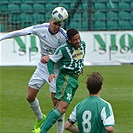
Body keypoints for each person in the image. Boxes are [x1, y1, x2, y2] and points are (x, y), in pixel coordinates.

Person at [0, 10, 68, 133]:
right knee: (30, 96)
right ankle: (40, 118)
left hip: (56, 71)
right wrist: (1, 37)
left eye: (59, 25)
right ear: (50, 21)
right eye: (55, 24)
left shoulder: (64, 36)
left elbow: (67, 54)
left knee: (57, 105)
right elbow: (20, 32)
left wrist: (51, 57)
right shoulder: (41, 29)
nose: (56, 27)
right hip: (42, 68)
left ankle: (60, 131)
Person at [33, 28, 86, 133]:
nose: (78, 41)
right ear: (69, 41)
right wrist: (52, 73)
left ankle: (42, 130)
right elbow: (51, 61)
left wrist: (80, 66)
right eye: (75, 40)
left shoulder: (83, 45)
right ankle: (42, 131)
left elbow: (80, 57)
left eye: (79, 38)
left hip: (74, 79)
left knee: (60, 107)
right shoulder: (63, 49)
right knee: (61, 108)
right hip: (66, 78)